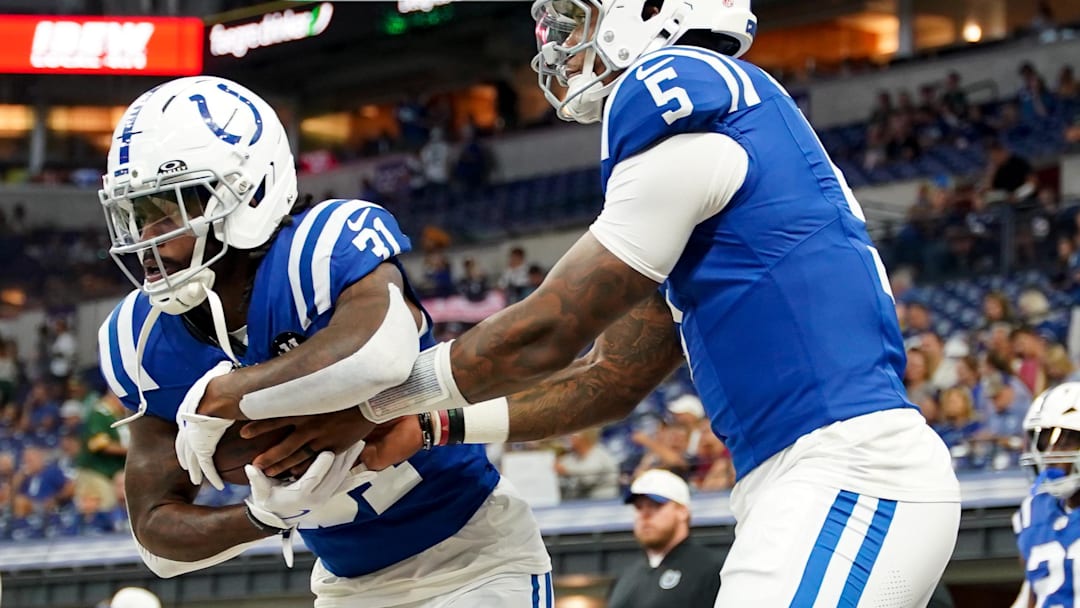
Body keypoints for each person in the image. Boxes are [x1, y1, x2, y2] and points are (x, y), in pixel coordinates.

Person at [196, 2, 961, 605]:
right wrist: (430, 423)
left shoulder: (677, 96)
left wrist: (368, 404)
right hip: (800, 478)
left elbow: (549, 329)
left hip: (850, 466)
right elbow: (612, 378)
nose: (560, 42)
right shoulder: (730, 154)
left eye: (577, 15)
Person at [96, 76, 550, 607]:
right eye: (133, 216)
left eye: (165, 210)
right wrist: (262, 517)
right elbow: (158, 540)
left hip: (471, 556)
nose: (144, 240)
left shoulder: (320, 247)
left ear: (248, 190)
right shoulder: (141, 336)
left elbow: (377, 355)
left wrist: (225, 396)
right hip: (344, 583)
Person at [608, 469, 723, 608]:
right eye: (639, 507)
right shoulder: (626, 576)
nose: (644, 515)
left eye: (655, 505)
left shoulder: (712, 569)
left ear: (682, 511)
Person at [1013, 382, 1080, 607]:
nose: (1052, 453)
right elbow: (1033, 591)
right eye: (1045, 441)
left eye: (1068, 440)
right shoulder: (1033, 511)